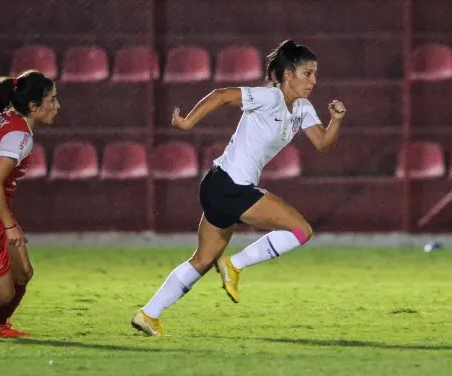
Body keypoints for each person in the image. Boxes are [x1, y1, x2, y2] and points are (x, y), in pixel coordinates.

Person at [131, 39, 346, 336]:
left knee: (203, 260)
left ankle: (148, 314)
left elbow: (323, 144)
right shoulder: (268, 97)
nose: (314, 80)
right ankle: (235, 264)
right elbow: (221, 95)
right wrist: (187, 123)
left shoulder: (303, 108)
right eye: (307, 73)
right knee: (301, 231)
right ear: (288, 75)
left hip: (219, 185)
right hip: (231, 187)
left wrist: (335, 121)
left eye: (315, 73)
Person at [0, 70, 60, 337]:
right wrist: (10, 226)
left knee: (23, 274)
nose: (57, 106)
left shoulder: (8, 119)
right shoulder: (19, 136)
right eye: (52, 100)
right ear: (33, 106)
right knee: (3, 293)